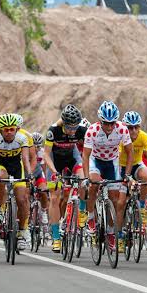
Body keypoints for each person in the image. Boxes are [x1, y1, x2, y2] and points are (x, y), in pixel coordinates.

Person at [84, 101, 133, 252]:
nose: (110, 127)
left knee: (115, 199)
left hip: (112, 162)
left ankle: (111, 232)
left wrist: (127, 175)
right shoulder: (92, 131)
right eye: (106, 123)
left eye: (112, 123)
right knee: (93, 185)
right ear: (100, 121)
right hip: (95, 161)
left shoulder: (122, 129)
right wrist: (87, 177)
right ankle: (91, 217)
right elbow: (85, 156)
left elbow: (130, 153)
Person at [43, 104, 87, 253]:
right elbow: (46, 154)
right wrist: (55, 172)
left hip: (71, 157)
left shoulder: (81, 130)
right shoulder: (53, 130)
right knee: (55, 197)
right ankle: (56, 238)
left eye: (75, 127)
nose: (72, 131)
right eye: (69, 127)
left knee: (83, 180)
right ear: (63, 122)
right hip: (55, 160)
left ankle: (81, 211)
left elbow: (87, 152)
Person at [0, 113, 32, 250]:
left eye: (11, 129)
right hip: (1, 165)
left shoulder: (22, 138)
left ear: (16, 129)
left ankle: (22, 231)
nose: (8, 132)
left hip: (16, 167)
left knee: (22, 199)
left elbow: (25, 159)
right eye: (5, 129)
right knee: (0, 176)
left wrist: (30, 175)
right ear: (0, 130)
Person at [118, 111, 147, 253]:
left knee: (145, 174)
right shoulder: (120, 138)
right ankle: (119, 237)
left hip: (136, 165)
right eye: (129, 127)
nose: (133, 130)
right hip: (121, 167)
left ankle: (142, 206)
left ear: (139, 127)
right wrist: (127, 178)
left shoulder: (144, 137)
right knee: (120, 203)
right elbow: (118, 157)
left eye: (136, 127)